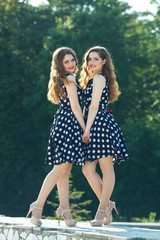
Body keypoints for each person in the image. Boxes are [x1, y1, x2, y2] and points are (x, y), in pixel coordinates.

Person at [26, 47, 85, 227]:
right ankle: (37, 207)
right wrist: (85, 129)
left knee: (65, 170)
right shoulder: (70, 79)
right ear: (60, 64)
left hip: (64, 124)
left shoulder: (64, 79)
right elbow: (75, 107)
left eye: (72, 60)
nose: (71, 64)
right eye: (66, 62)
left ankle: (65, 209)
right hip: (69, 125)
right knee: (59, 170)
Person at [80, 46, 129, 226]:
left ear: (104, 61)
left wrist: (87, 129)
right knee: (87, 168)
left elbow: (94, 107)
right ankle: (107, 205)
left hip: (100, 124)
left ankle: (101, 211)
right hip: (92, 124)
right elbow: (87, 107)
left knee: (106, 168)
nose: (91, 62)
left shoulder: (100, 78)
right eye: (89, 59)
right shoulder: (91, 79)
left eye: (95, 59)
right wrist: (84, 127)